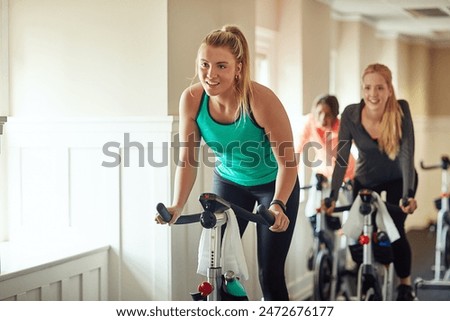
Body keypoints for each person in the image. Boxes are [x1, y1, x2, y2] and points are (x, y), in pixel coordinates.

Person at [155, 25, 300, 301]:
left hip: (273, 184)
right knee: (218, 270)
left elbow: (288, 163)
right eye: (205, 65)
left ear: (238, 68)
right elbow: (187, 159)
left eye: (221, 66)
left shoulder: (260, 100)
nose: (211, 74)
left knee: (269, 274)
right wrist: (176, 205)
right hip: (230, 182)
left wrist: (278, 204)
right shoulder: (192, 99)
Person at [323, 63, 418, 301]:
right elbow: (342, 159)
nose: (373, 94)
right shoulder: (351, 114)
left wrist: (407, 195)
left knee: (395, 228)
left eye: (379, 88)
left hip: (398, 178)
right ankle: (368, 266)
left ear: (389, 89)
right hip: (367, 179)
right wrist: (332, 197)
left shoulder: (400, 110)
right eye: (367, 88)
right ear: (362, 89)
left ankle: (404, 285)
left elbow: (406, 155)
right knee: (359, 230)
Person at [296, 94, 355, 222]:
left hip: (346, 174)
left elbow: (360, 145)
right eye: (320, 113)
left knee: (351, 214)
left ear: (335, 114)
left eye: (328, 114)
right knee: (313, 212)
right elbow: (298, 149)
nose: (323, 118)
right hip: (321, 172)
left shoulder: (341, 126)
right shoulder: (310, 123)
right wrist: (292, 177)